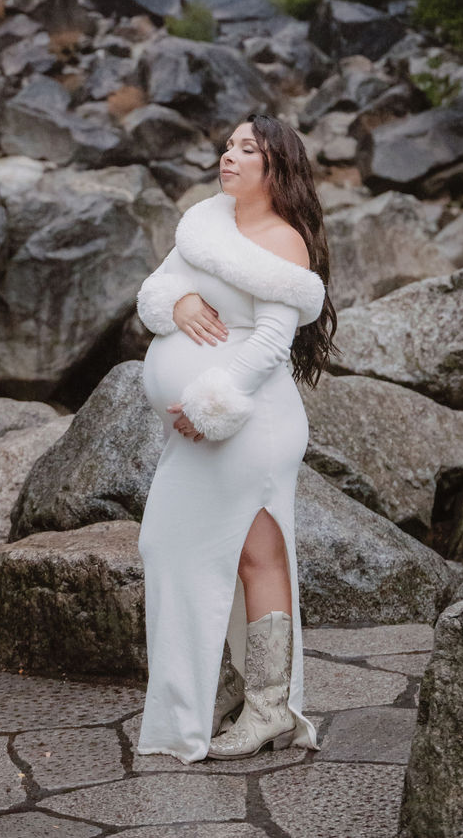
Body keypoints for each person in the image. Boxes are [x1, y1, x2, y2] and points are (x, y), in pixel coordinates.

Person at [134, 111, 338, 763]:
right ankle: (211, 689)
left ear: (276, 165)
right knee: (167, 541)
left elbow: (275, 343)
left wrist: (210, 401)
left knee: (257, 556)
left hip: (253, 420)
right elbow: (161, 284)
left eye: (246, 149)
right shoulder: (206, 222)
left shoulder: (284, 242)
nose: (229, 157)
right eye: (227, 146)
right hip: (202, 431)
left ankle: (269, 707)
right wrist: (181, 304)